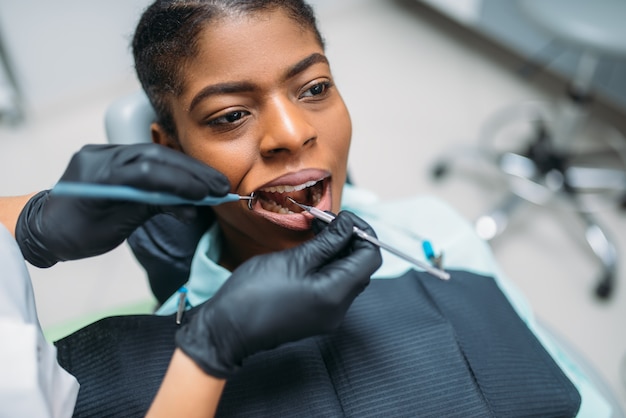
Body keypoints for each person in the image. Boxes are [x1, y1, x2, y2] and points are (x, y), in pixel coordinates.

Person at [1, 0, 611, 416]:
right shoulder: (168, 341)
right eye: (230, 115)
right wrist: (211, 350)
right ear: (171, 149)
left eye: (314, 88)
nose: (291, 133)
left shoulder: (435, 231)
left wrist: (25, 225)